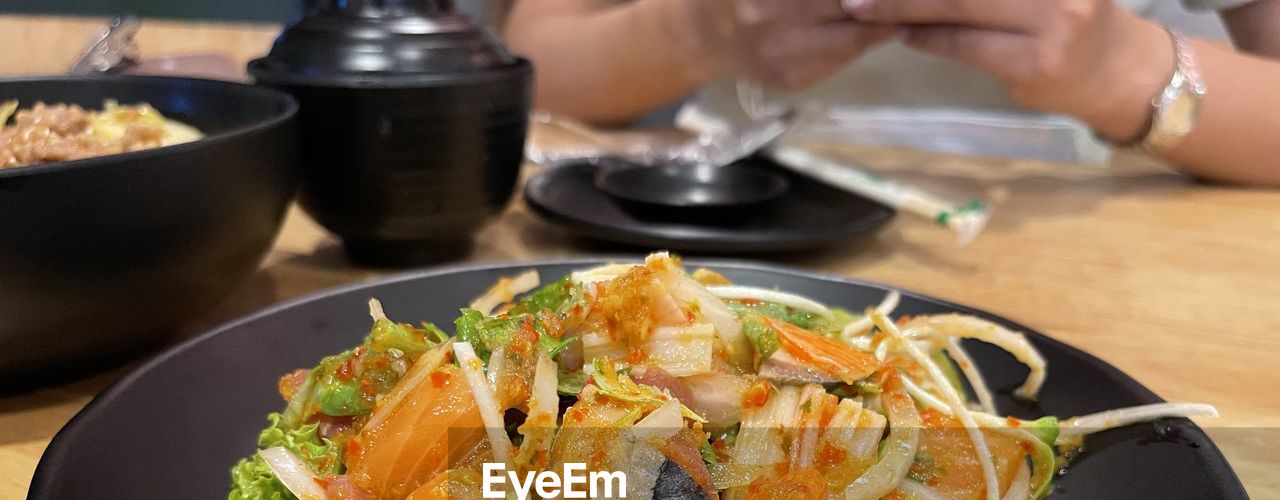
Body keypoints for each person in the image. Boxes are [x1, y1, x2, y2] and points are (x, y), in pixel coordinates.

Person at [503, 0, 1280, 185]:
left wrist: (1118, 68)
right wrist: (700, 30)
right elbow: (534, 61)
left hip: (1131, 255)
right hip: (733, 212)